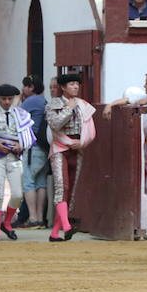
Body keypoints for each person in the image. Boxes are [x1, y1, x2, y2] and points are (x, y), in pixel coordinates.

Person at [0, 83, 35, 242]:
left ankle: (7, 222)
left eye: (10, 99)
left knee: (17, 194)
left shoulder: (21, 115)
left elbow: (29, 138)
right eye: (4, 99)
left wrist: (21, 145)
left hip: (15, 158)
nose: (7, 102)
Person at [46, 72, 97, 242]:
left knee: (70, 192)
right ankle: (66, 226)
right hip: (60, 148)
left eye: (77, 84)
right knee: (62, 187)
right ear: (63, 87)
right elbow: (55, 124)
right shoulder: (53, 104)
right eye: (71, 84)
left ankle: (55, 233)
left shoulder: (83, 105)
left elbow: (89, 129)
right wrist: (69, 108)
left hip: (77, 148)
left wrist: (81, 143)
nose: (75, 86)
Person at [20, 74, 50, 228]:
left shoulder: (31, 101)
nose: (23, 89)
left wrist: (19, 100)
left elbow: (16, 117)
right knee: (41, 183)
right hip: (43, 147)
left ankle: (32, 218)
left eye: (25, 86)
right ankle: (39, 218)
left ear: (31, 87)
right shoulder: (44, 101)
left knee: (28, 181)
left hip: (32, 147)